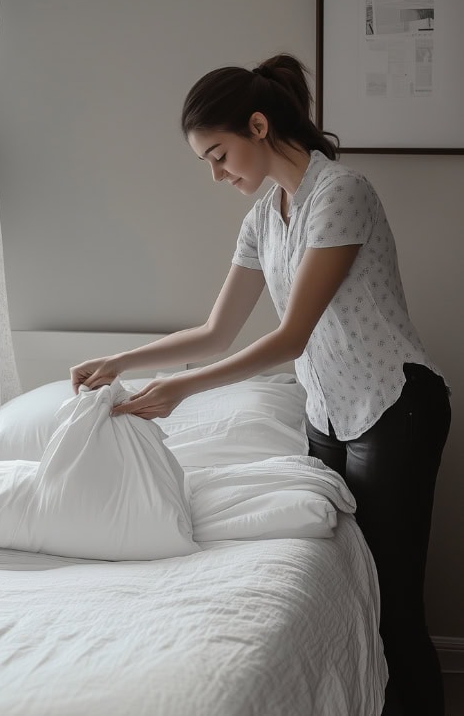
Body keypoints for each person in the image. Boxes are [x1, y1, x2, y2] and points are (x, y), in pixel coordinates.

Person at [71, 53, 451, 716]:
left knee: (392, 602)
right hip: (329, 414)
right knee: (356, 596)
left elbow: (289, 337)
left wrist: (183, 391)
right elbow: (217, 331)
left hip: (395, 407)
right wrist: (124, 361)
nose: (218, 175)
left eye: (220, 155)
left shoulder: (342, 193)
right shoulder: (262, 219)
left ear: (257, 124)